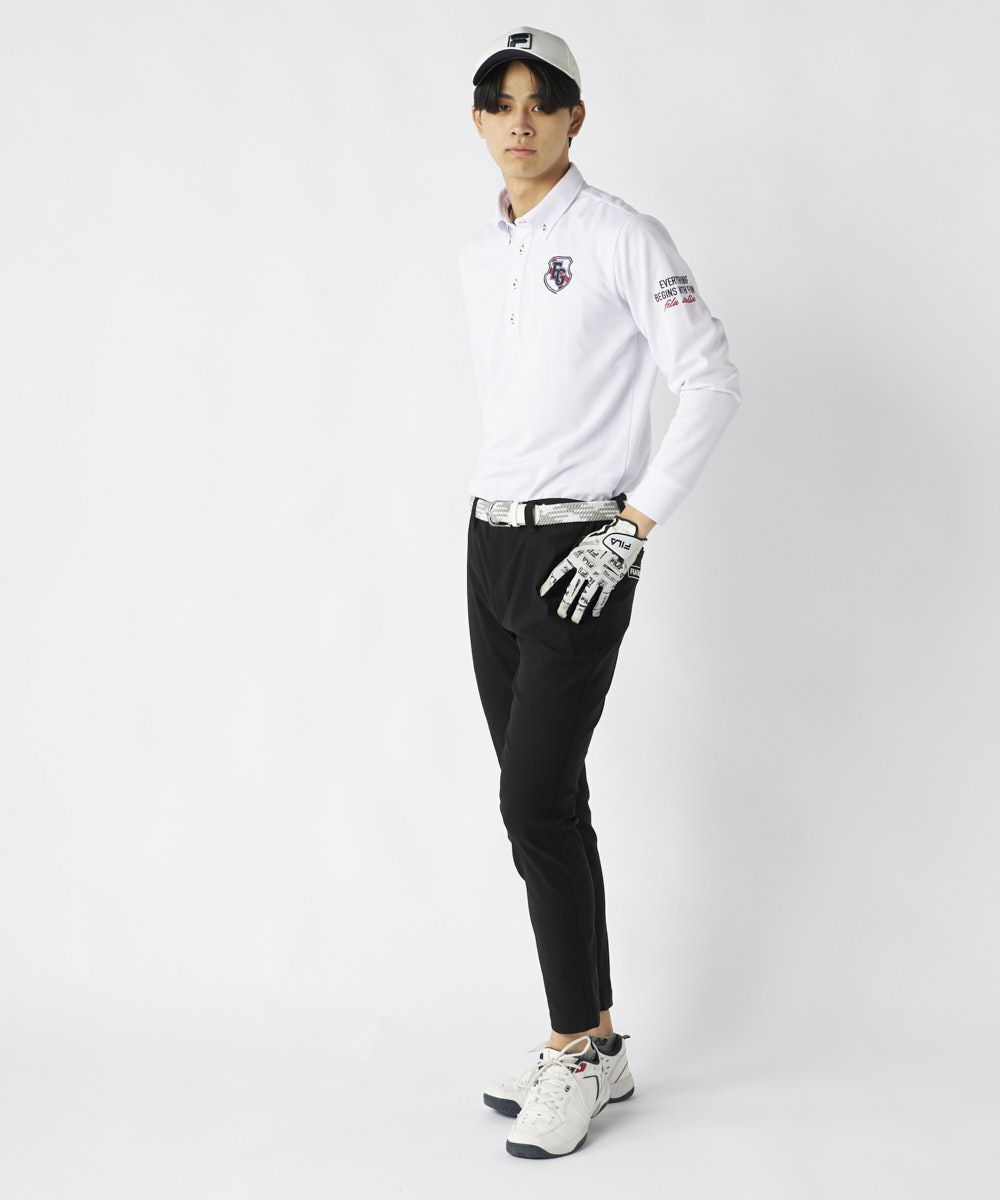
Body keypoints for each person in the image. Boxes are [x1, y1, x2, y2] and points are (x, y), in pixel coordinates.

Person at [460, 25, 743, 1159]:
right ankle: (602, 1042)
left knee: (529, 803)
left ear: (577, 116)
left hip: (585, 548)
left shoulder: (624, 236)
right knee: (553, 800)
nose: (520, 121)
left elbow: (710, 380)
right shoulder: (479, 252)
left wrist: (633, 525)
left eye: (542, 101)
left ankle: (569, 1049)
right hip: (489, 544)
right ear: (479, 120)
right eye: (500, 102)